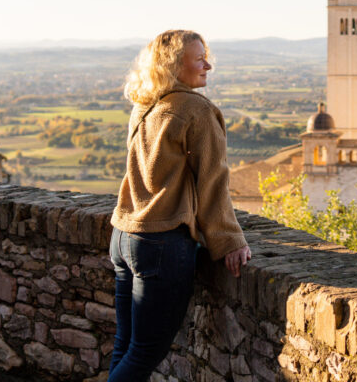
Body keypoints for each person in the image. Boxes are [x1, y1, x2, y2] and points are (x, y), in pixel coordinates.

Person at [108, 30, 251, 381]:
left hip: (124, 236)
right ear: (175, 64)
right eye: (199, 58)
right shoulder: (196, 110)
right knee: (143, 353)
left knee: (125, 345)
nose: (208, 65)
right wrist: (230, 240)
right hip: (160, 242)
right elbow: (213, 183)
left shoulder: (145, 104)